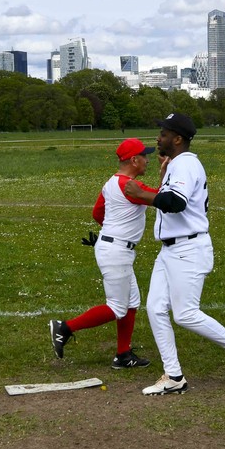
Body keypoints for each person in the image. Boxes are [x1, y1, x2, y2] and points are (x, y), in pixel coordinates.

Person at [121, 113, 225, 395]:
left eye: (164, 133)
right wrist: (161, 179)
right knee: (156, 308)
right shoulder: (176, 165)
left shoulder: (185, 164)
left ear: (178, 139)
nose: (158, 137)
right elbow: (171, 197)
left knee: (185, 314)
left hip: (188, 248)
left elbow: (175, 203)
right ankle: (173, 376)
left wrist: (143, 194)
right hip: (171, 249)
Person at [49, 138, 155, 369]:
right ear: (134, 160)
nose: (148, 160)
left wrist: (110, 232)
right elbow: (164, 199)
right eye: (145, 156)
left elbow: (98, 213)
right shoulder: (132, 187)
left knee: (131, 303)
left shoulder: (111, 183)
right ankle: (65, 327)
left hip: (114, 248)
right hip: (116, 251)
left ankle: (123, 354)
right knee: (117, 307)